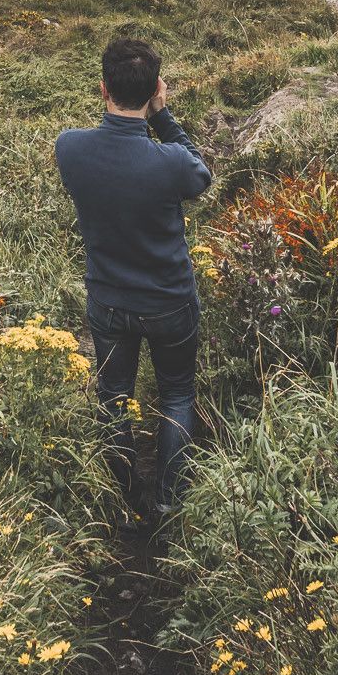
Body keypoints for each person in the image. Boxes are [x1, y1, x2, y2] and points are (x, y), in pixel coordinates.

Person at [55, 38, 211, 520]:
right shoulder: (171, 163)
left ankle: (125, 498)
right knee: (178, 393)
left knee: (113, 397)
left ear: (103, 88)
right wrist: (162, 117)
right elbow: (200, 176)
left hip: (109, 301)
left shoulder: (70, 147)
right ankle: (166, 501)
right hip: (169, 300)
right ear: (155, 90)